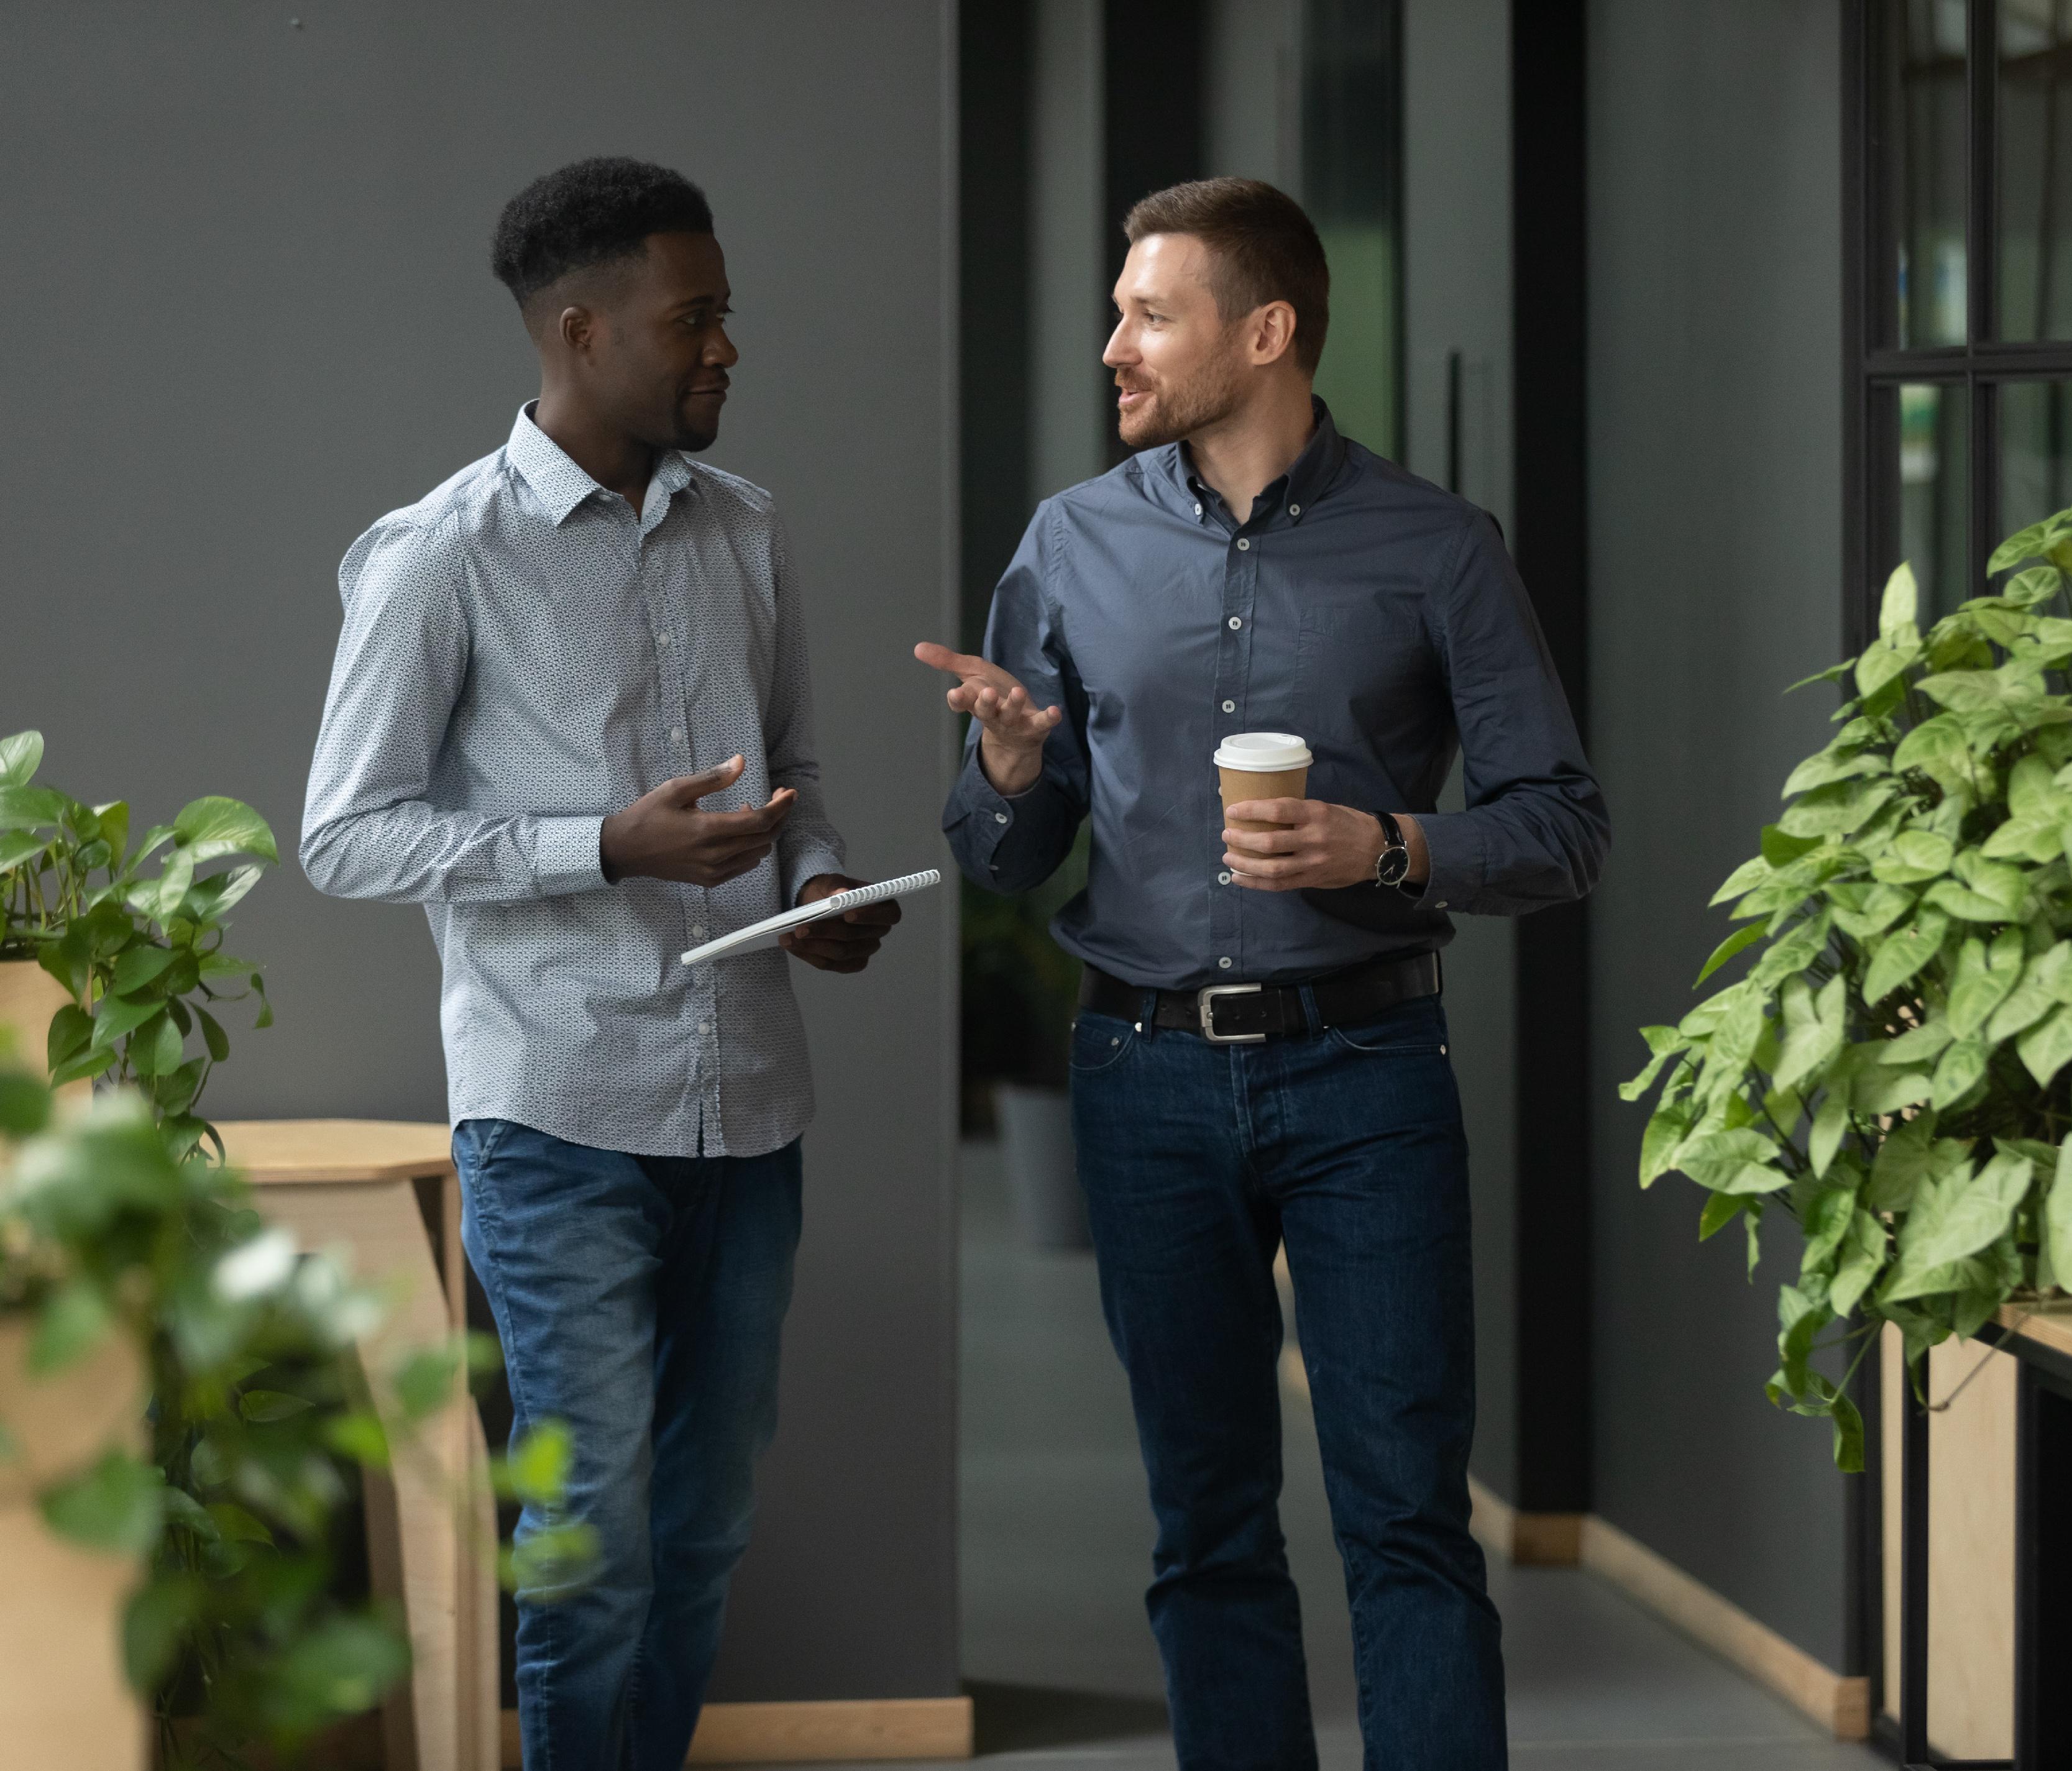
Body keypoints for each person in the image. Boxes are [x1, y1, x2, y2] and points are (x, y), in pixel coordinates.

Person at [920, 177, 1607, 1769]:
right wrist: (1016, 776)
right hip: (1141, 1079)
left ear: (1267, 330)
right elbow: (1005, 859)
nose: (1115, 345)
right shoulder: (1070, 544)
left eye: (1149, 314)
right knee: (1207, 1526)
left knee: (1406, 1521)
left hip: (1366, 1075)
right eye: (1117, 311)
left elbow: (1564, 827)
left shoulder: (1434, 549)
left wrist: (1387, 849)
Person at [301, 157, 901, 1771]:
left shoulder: (749, 530)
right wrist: (603, 846)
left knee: (699, 1533)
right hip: (557, 1112)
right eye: (690, 319)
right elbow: (344, 835)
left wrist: (824, 875)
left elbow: (799, 773)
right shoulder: (440, 553)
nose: (725, 349)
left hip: (751, 1108)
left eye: (727, 316)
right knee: (591, 1536)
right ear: (578, 329)